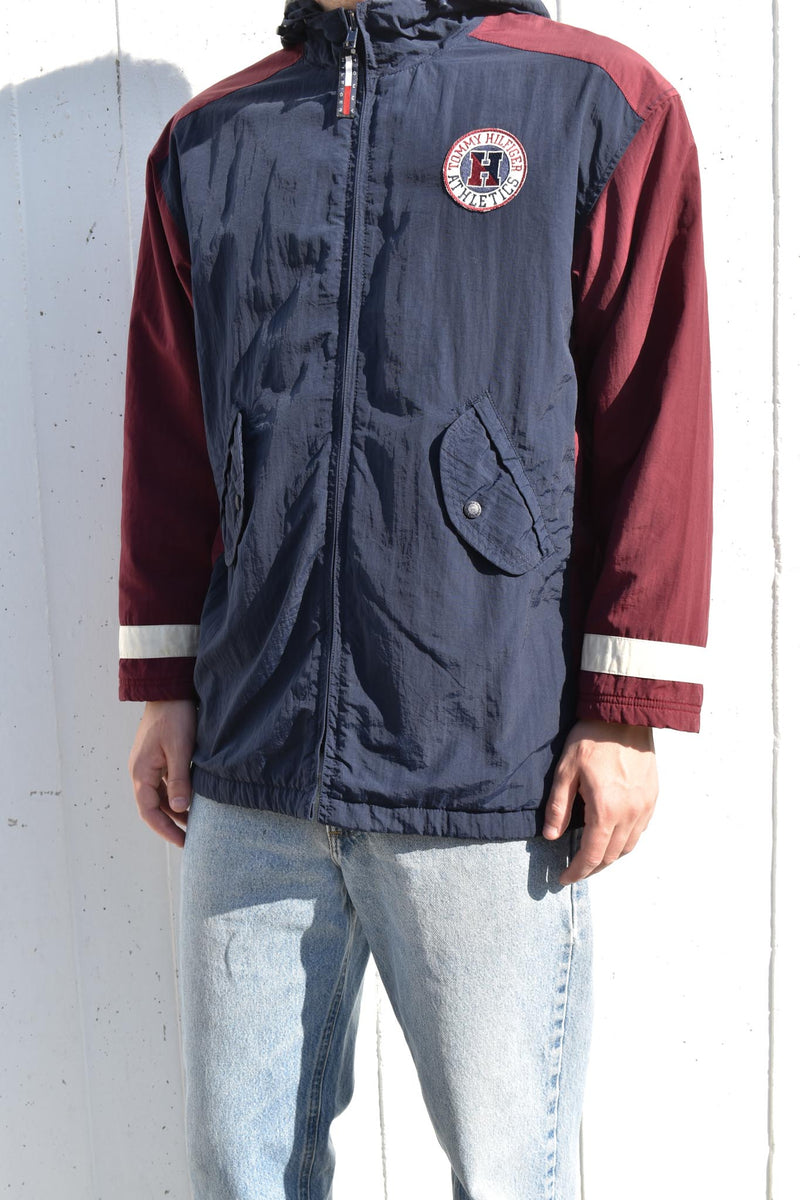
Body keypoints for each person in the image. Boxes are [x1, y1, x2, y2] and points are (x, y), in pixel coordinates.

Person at [118, 0, 712, 1196]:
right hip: (253, 760)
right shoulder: (213, 137)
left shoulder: (595, 103)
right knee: (237, 1172)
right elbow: (173, 431)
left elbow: (655, 408)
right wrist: (165, 680)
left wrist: (625, 705)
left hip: (488, 760)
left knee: (505, 1174)